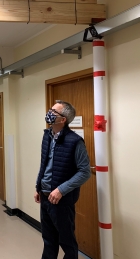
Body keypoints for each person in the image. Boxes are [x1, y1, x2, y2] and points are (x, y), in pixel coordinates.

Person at [34, 100, 91, 259]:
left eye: (54, 111)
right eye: (50, 110)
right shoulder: (47, 136)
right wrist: (38, 187)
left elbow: (85, 171)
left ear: (63, 119)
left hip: (61, 201)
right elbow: (44, 164)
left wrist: (61, 190)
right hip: (45, 196)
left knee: (67, 243)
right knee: (48, 240)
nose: (49, 113)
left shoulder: (75, 141)